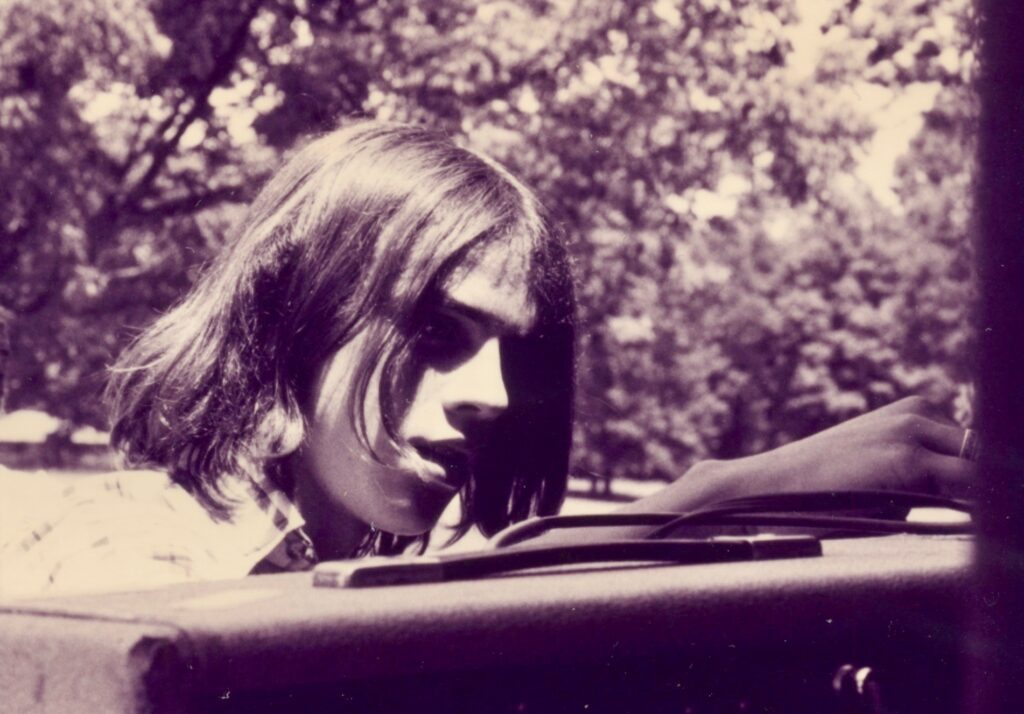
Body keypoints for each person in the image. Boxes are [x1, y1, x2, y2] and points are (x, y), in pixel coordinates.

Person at [0, 121, 975, 598]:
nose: (496, 397)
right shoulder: (129, 566)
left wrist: (725, 492)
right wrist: (713, 493)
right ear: (297, 312)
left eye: (517, 358)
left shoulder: (374, 555)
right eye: (436, 332)